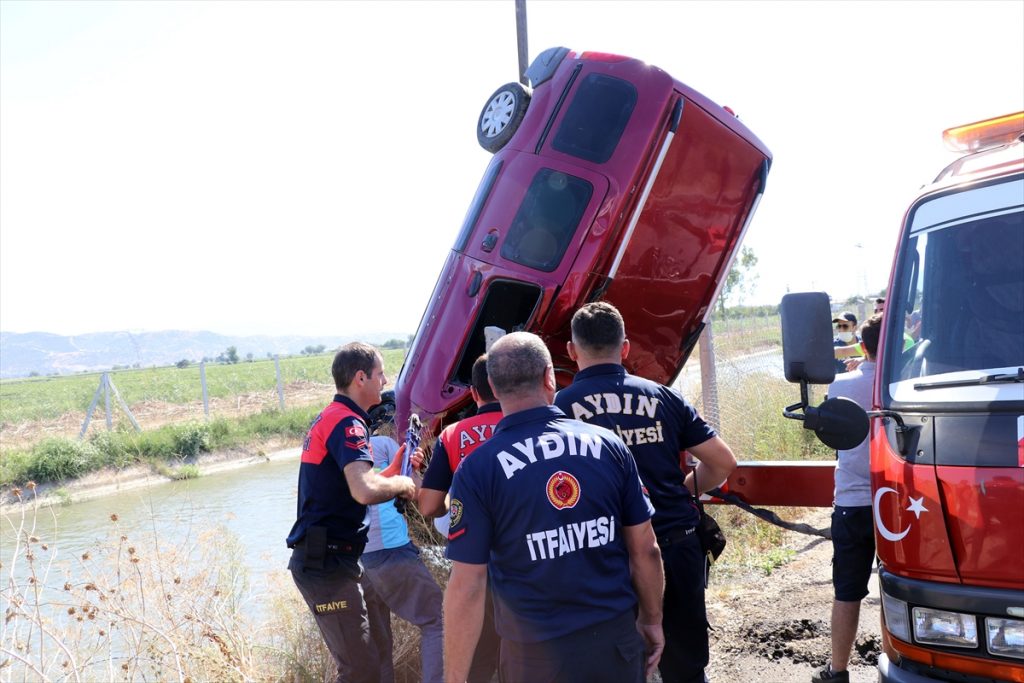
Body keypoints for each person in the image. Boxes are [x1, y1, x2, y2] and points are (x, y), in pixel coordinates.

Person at [444, 332, 665, 683]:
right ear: (549, 376)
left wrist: (454, 678)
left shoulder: (477, 468)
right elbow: (645, 548)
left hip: (534, 659)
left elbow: (467, 586)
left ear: (492, 387)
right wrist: (652, 620)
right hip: (613, 643)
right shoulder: (608, 445)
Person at [554, 301, 737, 683]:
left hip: (603, 558)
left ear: (572, 351)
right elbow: (722, 462)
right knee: (686, 665)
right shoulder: (663, 397)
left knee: (613, 667)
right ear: (624, 348)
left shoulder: (559, 410)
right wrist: (685, 491)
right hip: (674, 543)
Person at [285, 342, 417, 683]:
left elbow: (362, 482)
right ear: (361, 378)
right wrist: (403, 484)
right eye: (380, 374)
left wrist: (397, 466)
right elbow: (364, 491)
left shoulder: (338, 417)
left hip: (340, 559)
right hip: (326, 565)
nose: (385, 380)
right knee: (360, 671)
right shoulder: (349, 424)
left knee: (378, 650)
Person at [412, 354, 501, 683]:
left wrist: (419, 475)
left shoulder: (453, 435)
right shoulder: (528, 426)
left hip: (475, 564)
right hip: (532, 563)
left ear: (475, 394)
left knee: (478, 660)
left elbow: (429, 506)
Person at [812, 314, 882, 683]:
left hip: (853, 503)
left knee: (847, 590)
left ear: (863, 345)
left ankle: (837, 671)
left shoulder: (840, 385)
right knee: (899, 585)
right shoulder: (907, 384)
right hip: (901, 502)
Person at [361, 406, 444, 683]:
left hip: (360, 560)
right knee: (437, 620)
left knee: (379, 641)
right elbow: (414, 492)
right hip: (391, 552)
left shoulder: (345, 453)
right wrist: (416, 467)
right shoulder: (384, 444)